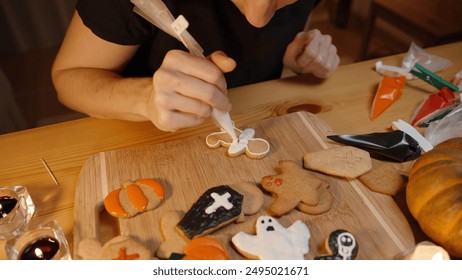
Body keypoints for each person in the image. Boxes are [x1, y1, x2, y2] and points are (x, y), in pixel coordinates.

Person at [51, 0, 339, 132]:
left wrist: (292, 54)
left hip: (255, 122)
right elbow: (68, 79)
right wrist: (145, 97)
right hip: (138, 140)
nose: (258, 16)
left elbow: (261, 34)